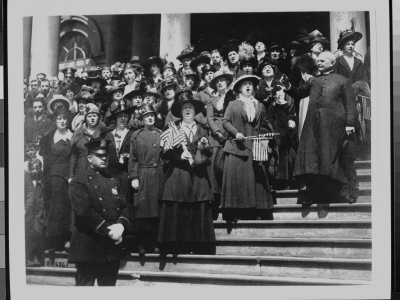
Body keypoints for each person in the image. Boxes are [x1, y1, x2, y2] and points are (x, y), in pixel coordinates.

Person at [285, 51, 358, 203]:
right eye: (318, 60)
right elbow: (298, 93)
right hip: (312, 126)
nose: (319, 62)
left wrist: (350, 124)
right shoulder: (313, 80)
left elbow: (350, 104)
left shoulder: (342, 80)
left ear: (332, 63)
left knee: (330, 157)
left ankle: (341, 192)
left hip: (334, 127)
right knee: (313, 158)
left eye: (323, 60)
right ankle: (315, 194)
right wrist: (287, 86)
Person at [68, 132, 133, 286]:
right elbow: (84, 212)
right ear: (89, 158)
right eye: (99, 155)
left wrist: (121, 225)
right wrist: (109, 231)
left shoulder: (113, 181)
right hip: (88, 247)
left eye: (105, 155)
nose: (104, 158)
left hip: (111, 250)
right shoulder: (78, 181)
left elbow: (126, 206)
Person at [158, 93, 215, 255]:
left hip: (198, 176)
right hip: (178, 174)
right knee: (178, 207)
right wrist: (178, 156)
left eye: (190, 107)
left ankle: (198, 246)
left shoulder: (203, 128)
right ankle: (177, 246)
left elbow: (209, 153)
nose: (188, 110)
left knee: (199, 206)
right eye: (184, 108)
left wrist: (205, 148)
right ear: (180, 111)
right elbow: (164, 152)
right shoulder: (172, 128)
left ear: (195, 110)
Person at [221, 75, 275, 221]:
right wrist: (236, 133)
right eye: (245, 84)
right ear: (239, 88)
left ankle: (258, 210)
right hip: (237, 147)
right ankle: (235, 213)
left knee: (256, 180)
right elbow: (225, 122)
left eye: (250, 84)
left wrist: (265, 138)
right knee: (238, 179)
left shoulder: (260, 105)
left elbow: (264, 124)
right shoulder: (233, 104)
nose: (248, 86)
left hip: (255, 147)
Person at [128, 104, 164, 256]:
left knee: (157, 210)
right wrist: (134, 177)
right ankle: (142, 244)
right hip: (143, 174)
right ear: (142, 119)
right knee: (143, 209)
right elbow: (133, 158)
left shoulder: (162, 134)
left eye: (152, 115)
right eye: (146, 116)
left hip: (159, 174)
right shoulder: (136, 135)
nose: (150, 118)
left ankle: (155, 242)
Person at [255, 60, 297, 189]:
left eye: (270, 67)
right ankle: (268, 182)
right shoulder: (257, 86)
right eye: (264, 68)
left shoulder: (280, 84)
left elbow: (290, 102)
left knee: (283, 149)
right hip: (264, 123)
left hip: (280, 122)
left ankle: (282, 181)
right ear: (261, 72)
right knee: (266, 150)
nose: (267, 69)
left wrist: (290, 118)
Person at [40, 104, 73, 252]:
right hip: (54, 177)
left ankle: (68, 239)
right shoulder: (49, 138)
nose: (62, 121)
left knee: (69, 207)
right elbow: (46, 160)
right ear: (55, 120)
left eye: (65, 118)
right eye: (59, 118)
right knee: (56, 208)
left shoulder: (72, 136)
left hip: (69, 176)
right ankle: (54, 241)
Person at [206, 71, 234, 218]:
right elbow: (210, 118)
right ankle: (215, 207)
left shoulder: (233, 96)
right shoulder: (212, 99)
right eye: (217, 81)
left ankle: (229, 207)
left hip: (230, 135)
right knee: (215, 170)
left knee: (228, 170)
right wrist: (217, 132)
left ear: (227, 82)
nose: (220, 83)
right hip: (216, 137)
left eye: (222, 80)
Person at [105, 103, 136, 207]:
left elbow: (135, 154)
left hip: (125, 174)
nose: (123, 119)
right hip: (111, 175)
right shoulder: (108, 135)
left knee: (125, 203)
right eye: (120, 116)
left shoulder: (132, 134)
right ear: (115, 119)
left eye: (125, 116)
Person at [69, 103, 104, 182]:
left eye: (94, 116)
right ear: (85, 118)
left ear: (98, 118)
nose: (92, 118)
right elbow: (74, 156)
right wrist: (71, 176)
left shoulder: (104, 134)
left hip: (98, 172)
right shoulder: (78, 134)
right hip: (81, 171)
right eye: (89, 116)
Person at [25, 158, 46, 267]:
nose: (34, 171)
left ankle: (37, 257)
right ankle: (28, 257)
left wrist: (40, 213)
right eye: (32, 169)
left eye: (37, 169)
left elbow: (41, 199)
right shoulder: (26, 180)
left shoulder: (41, 183)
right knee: (29, 234)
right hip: (29, 212)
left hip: (39, 212)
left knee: (37, 233)